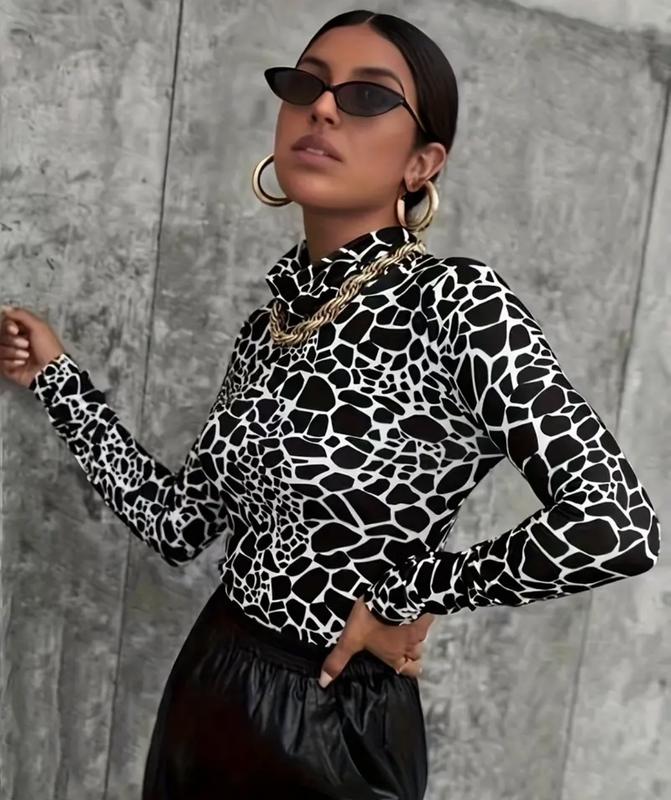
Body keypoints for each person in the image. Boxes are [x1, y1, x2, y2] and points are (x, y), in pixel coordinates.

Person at [0, 9, 660, 800]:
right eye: (305, 85)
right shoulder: (268, 329)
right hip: (209, 687)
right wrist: (57, 378)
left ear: (421, 163)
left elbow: (613, 526)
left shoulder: (455, 304)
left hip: (332, 722)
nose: (320, 107)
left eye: (367, 96)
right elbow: (180, 525)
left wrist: (412, 595)